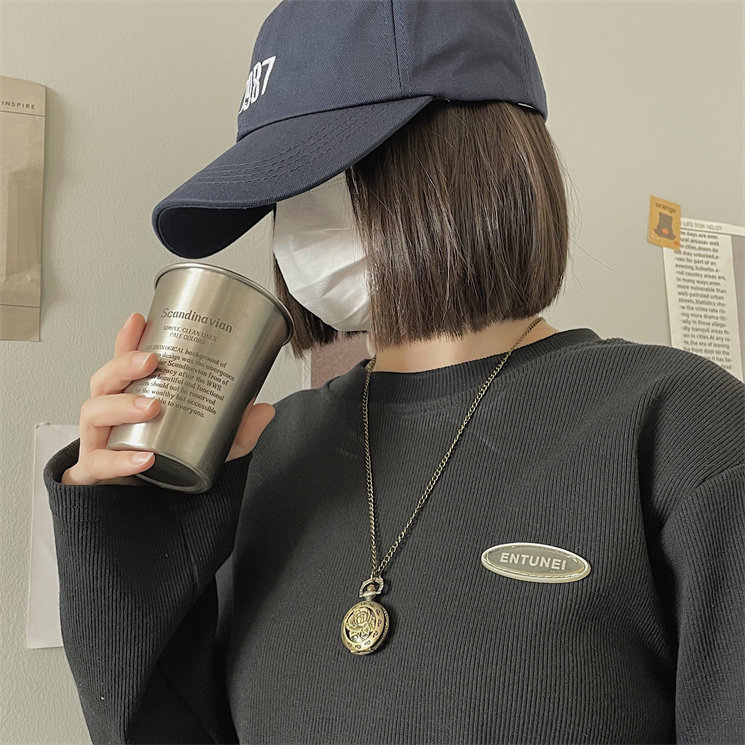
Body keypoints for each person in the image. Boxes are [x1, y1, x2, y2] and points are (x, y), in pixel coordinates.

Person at [44, 1, 744, 743]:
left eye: (333, 171)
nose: (298, 221)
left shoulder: (679, 429)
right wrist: (128, 538)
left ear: (476, 154)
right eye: (281, 191)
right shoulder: (272, 452)